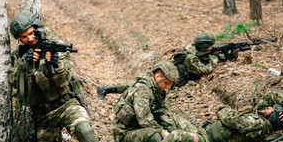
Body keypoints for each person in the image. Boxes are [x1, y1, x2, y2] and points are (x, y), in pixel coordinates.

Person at [8, 11, 109, 142]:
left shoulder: (55, 45)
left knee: (85, 130)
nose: (29, 39)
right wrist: (27, 65)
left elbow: (63, 82)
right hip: (44, 113)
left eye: (31, 33)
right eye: (24, 37)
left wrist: (54, 67)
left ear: (37, 28)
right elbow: (19, 88)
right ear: (19, 39)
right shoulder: (19, 54)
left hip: (66, 103)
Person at [111, 60, 214, 142]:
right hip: (125, 133)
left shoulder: (156, 89)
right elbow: (144, 119)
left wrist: (174, 130)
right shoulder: (142, 89)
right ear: (158, 76)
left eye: (169, 84)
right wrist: (163, 132)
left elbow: (163, 113)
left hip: (139, 129)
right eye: (166, 83)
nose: (167, 87)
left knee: (174, 121)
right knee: (155, 136)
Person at [149, 91, 283, 142]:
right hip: (204, 133)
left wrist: (222, 108)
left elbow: (229, 118)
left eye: (272, 108)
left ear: (271, 115)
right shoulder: (259, 117)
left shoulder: (256, 125)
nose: (269, 106)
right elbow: (269, 96)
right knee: (170, 117)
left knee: (176, 136)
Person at [97, 32, 238, 99]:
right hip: (169, 78)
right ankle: (107, 89)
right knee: (139, 87)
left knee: (136, 85)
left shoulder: (191, 48)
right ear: (207, 47)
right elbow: (205, 69)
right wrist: (215, 58)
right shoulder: (191, 58)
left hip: (164, 73)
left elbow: (203, 56)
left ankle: (108, 89)